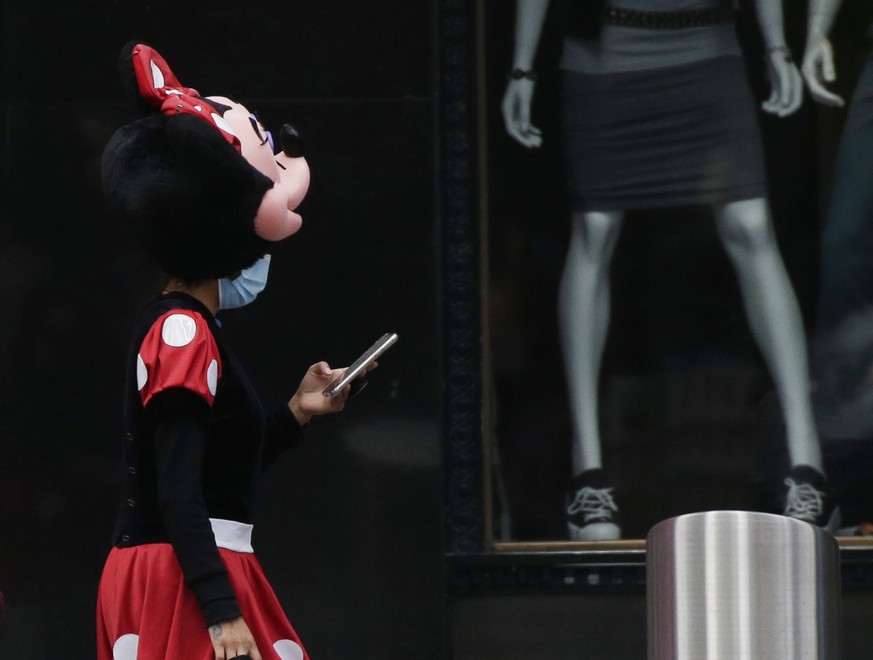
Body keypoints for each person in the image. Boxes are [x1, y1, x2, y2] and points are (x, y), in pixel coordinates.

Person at [501, 0, 837, 540]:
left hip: (709, 48)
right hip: (603, 55)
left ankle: (807, 462)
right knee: (594, 231)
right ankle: (588, 474)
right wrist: (522, 66)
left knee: (751, 226)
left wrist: (775, 45)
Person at [95, 43, 367, 660]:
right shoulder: (183, 332)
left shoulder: (188, 328)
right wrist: (221, 611)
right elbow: (179, 487)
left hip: (192, 567)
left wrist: (298, 412)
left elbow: (222, 465)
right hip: (184, 578)